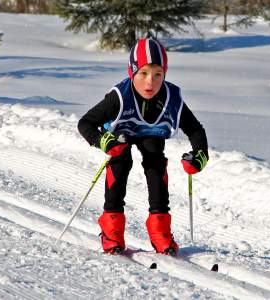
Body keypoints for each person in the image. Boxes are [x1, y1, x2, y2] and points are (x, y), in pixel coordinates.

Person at [78, 38, 208, 256]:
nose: (151, 82)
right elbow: (85, 123)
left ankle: (160, 233)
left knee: (155, 161)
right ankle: (112, 231)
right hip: (121, 132)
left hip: (150, 132)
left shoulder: (170, 98)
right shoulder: (119, 97)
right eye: (144, 73)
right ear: (132, 73)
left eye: (158, 74)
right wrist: (102, 141)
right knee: (120, 162)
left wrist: (199, 156)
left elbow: (195, 129)